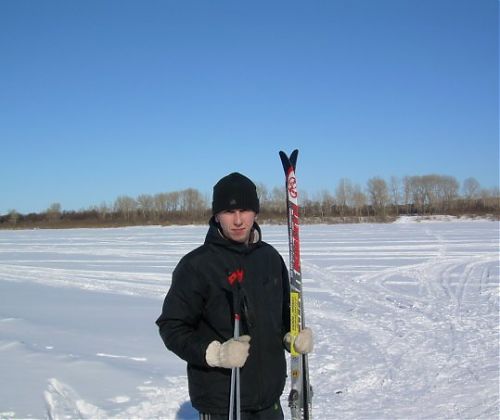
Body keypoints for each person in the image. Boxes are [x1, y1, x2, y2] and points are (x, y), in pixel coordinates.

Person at [156, 172, 313, 420]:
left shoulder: (271, 259)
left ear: (256, 213)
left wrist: (290, 337)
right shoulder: (197, 265)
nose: (238, 220)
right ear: (217, 216)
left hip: (269, 400)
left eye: (245, 210)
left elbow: (281, 315)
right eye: (229, 212)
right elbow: (171, 327)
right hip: (222, 403)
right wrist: (215, 354)